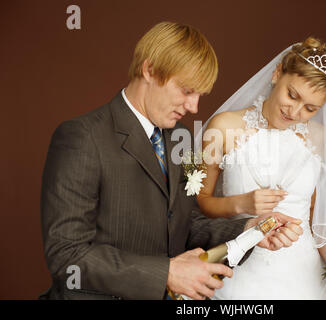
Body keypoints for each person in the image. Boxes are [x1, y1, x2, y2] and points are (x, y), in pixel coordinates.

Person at [39, 21, 303, 300]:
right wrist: (166, 273)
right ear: (149, 70)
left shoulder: (182, 137)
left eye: (200, 95)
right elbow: (66, 255)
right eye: (187, 90)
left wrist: (250, 229)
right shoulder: (82, 137)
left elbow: (187, 222)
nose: (194, 107)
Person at [195, 37, 326, 299]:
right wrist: (241, 204)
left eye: (310, 108)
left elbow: (315, 215)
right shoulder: (224, 127)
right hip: (242, 269)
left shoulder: (319, 138)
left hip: (305, 276)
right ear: (277, 73)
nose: (294, 112)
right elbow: (199, 202)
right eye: (292, 95)